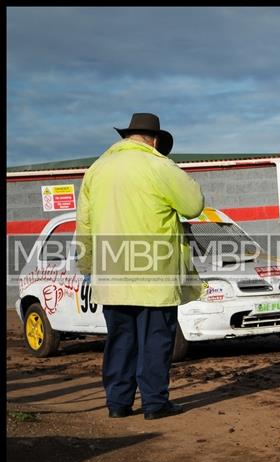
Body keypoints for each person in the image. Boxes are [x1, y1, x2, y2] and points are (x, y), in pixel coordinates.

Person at [76, 113, 205, 420]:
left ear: (127, 136)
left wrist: (87, 266)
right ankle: (154, 403)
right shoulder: (159, 166)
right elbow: (193, 205)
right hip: (154, 275)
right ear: (156, 140)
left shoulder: (96, 170)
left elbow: (84, 224)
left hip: (111, 275)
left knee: (120, 341)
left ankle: (118, 404)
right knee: (155, 341)